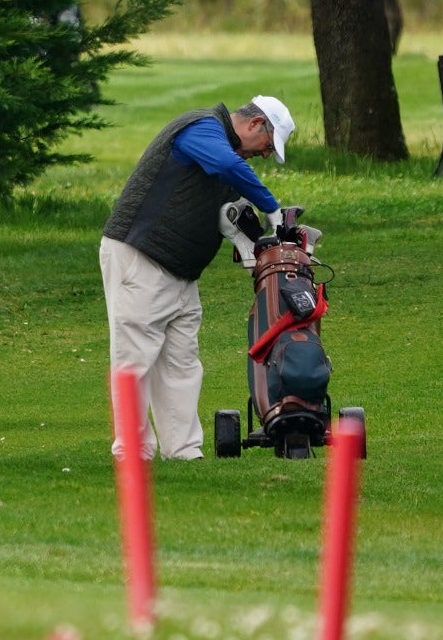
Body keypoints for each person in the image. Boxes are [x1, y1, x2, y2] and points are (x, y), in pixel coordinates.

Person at [99, 95, 297, 460]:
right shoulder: (202, 127)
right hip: (141, 255)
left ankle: (184, 451)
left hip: (181, 271)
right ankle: (133, 452)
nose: (266, 154)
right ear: (255, 124)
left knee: (182, 360)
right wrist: (271, 207)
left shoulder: (226, 156)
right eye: (268, 145)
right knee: (135, 356)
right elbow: (224, 164)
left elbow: (226, 210)